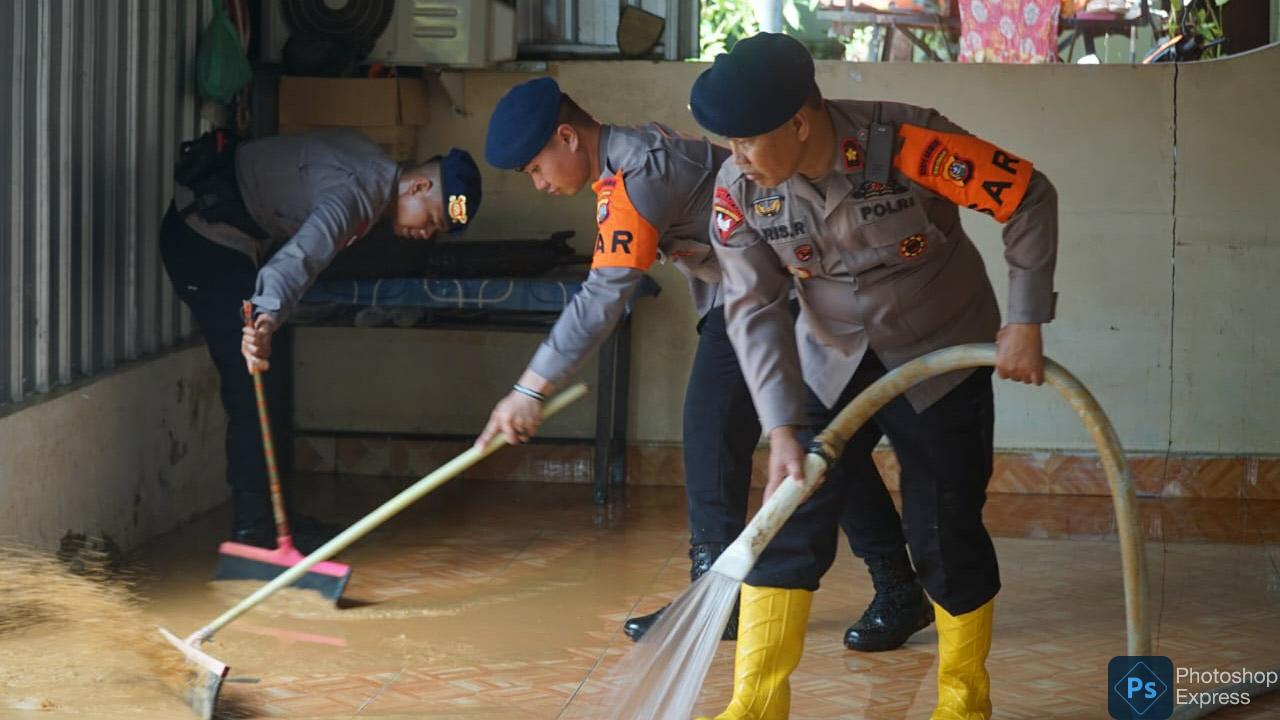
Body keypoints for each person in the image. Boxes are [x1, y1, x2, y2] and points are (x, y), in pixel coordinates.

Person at [475, 78, 931, 650]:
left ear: (567, 137)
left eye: (535, 168)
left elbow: (604, 293)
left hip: (779, 292)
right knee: (818, 447)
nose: (539, 183)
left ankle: (718, 600)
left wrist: (530, 389)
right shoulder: (627, 163)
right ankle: (894, 584)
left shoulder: (639, 173)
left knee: (715, 427)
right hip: (765, 292)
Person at [689, 33, 1059, 720]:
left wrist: (1026, 318)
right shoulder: (739, 190)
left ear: (800, 123)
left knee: (943, 529)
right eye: (728, 143)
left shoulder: (910, 142)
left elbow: (1028, 197)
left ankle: (962, 704)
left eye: (745, 141)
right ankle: (754, 705)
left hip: (939, 353)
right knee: (786, 516)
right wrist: (780, 426)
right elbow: (752, 306)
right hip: (829, 357)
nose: (734, 157)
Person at [160, 128, 481, 552]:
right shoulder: (354, 195)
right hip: (203, 239)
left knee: (271, 376)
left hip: (226, 233)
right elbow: (303, 257)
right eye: (434, 220)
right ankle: (254, 529)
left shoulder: (375, 166)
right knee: (253, 382)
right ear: (419, 185)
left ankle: (276, 522)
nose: (427, 233)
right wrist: (265, 316)